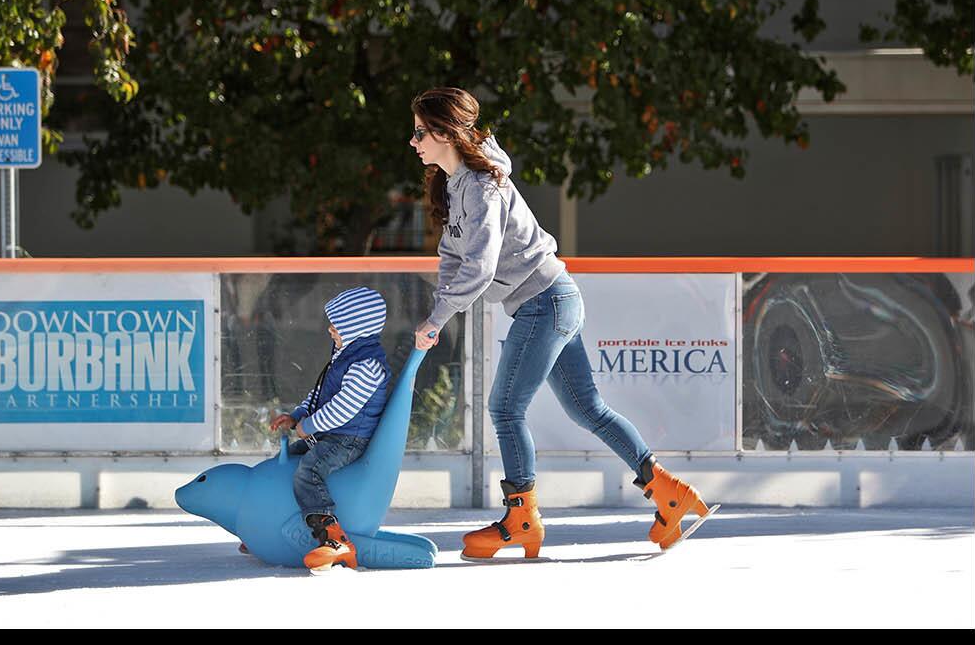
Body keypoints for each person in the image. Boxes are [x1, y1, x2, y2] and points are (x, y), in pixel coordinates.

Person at [409, 87, 714, 560]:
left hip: (544, 302)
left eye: (420, 132)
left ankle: (521, 518)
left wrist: (439, 316)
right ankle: (669, 494)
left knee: (505, 408)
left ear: (446, 132)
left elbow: (482, 266)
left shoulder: (484, 186)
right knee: (587, 409)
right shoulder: (454, 184)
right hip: (553, 300)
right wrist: (437, 313)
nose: (413, 142)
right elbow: (453, 257)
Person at [268, 286, 392, 571]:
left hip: (349, 439)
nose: (330, 330)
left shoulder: (367, 365)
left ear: (355, 327)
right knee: (285, 460)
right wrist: (297, 415)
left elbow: (344, 409)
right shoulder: (345, 356)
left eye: (336, 324)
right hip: (330, 434)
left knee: (309, 471)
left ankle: (334, 539)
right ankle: (271, 522)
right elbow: (320, 393)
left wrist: (308, 426)